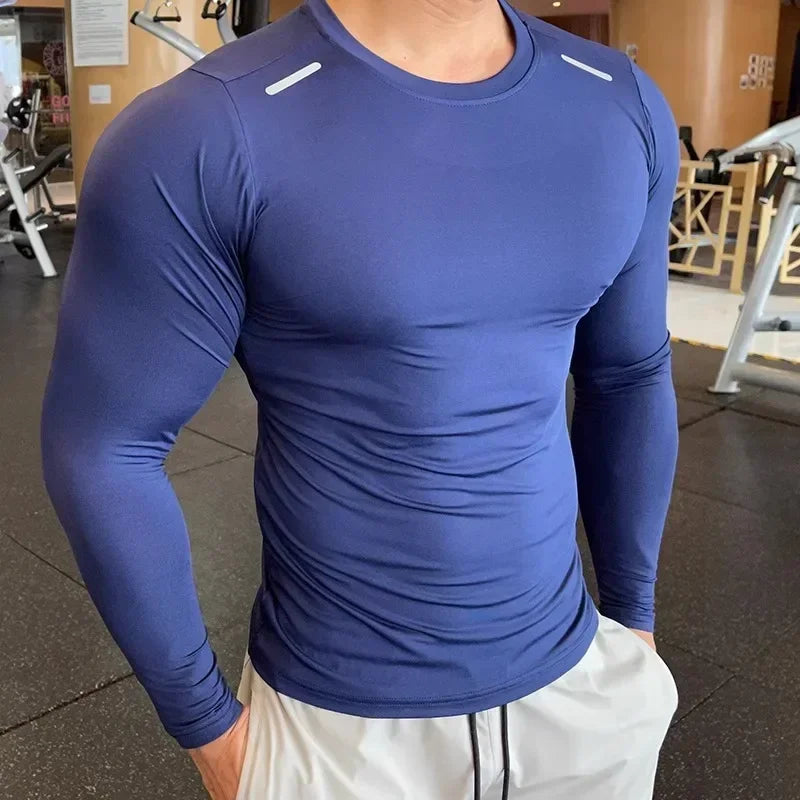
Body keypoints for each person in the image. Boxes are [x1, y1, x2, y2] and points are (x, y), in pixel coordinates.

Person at [41, 0, 680, 798]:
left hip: (583, 698)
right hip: (341, 738)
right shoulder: (204, 128)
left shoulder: (618, 100)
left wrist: (634, 624)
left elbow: (629, 372)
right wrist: (210, 730)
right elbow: (104, 446)